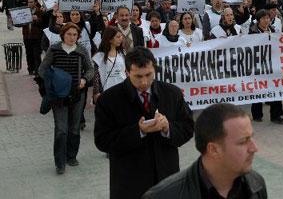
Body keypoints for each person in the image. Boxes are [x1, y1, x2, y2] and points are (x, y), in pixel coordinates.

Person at [94, 47, 194, 199]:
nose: (144, 81)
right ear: (127, 73)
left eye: (149, 74)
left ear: (155, 68)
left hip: (167, 180)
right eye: (138, 76)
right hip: (129, 183)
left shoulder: (172, 93)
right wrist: (138, 131)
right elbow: (102, 141)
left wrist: (168, 128)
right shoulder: (109, 100)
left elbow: (187, 128)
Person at [142, 103, 268, 199]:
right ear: (213, 149)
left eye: (251, 138)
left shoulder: (256, 184)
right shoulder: (163, 196)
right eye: (242, 142)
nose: (254, 148)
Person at [38, 23, 94, 175]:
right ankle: (60, 162)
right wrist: (53, 81)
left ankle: (71, 156)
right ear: (63, 34)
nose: (72, 37)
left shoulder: (81, 50)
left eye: (75, 35)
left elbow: (90, 69)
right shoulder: (54, 49)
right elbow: (42, 69)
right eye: (69, 34)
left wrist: (84, 79)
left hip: (77, 94)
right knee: (61, 129)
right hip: (59, 96)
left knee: (74, 128)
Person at [249, 9, 283, 124]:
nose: (266, 20)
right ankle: (257, 114)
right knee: (258, 90)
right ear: (258, 20)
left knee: (275, 89)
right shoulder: (252, 33)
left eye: (268, 18)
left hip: (273, 65)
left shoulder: (273, 31)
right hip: (258, 65)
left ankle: (276, 115)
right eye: (263, 18)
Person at [92, 26, 126, 104]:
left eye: (121, 36)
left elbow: (126, 73)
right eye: (118, 36)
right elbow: (96, 76)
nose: (121, 38)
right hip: (107, 93)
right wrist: (96, 92)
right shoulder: (99, 56)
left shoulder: (122, 54)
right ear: (110, 39)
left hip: (122, 91)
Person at [22, 0, 44, 75]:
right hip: (27, 36)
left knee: (36, 54)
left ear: (35, 3)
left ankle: (38, 70)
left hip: (36, 37)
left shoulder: (40, 11)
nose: (30, 4)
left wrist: (37, 19)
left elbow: (43, 24)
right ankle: (30, 69)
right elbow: (19, 23)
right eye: (28, 2)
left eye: (31, 2)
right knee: (29, 53)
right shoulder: (24, 12)